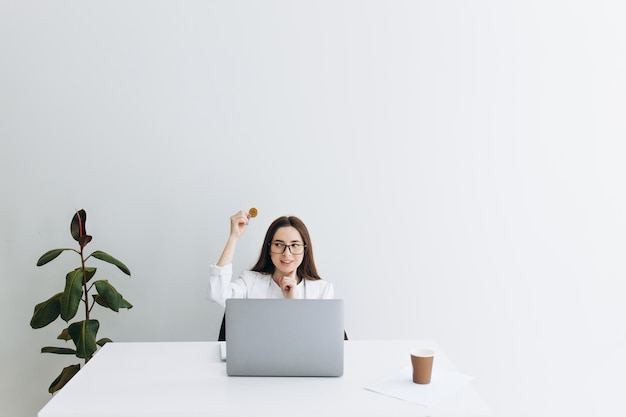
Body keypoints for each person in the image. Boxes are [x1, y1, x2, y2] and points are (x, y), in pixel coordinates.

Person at [207, 210, 334, 308]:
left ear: (305, 250)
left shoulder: (322, 290)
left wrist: (293, 302)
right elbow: (218, 294)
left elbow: (316, 337)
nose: (287, 254)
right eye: (278, 245)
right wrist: (234, 237)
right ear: (268, 249)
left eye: (295, 245)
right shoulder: (250, 282)